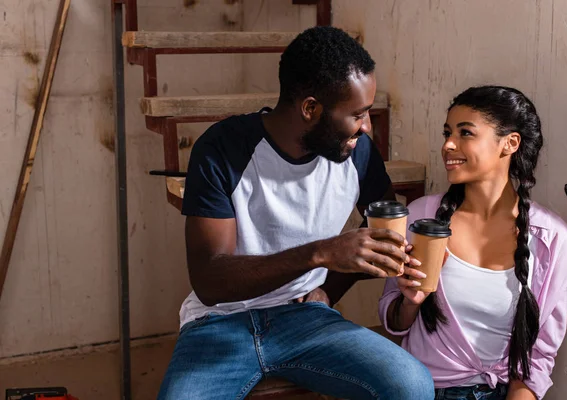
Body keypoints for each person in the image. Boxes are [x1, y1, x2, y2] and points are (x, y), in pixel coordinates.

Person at [158, 26, 434, 400]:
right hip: (218, 324)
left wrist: (328, 288)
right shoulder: (224, 148)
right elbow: (210, 281)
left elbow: (379, 231)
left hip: (305, 319)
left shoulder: (359, 153)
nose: (366, 126)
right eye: (357, 114)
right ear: (310, 108)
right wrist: (319, 253)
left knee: (412, 386)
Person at [379, 86, 567, 400]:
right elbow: (392, 320)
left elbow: (538, 358)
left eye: (465, 133)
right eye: (447, 132)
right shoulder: (422, 218)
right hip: (423, 390)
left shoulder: (552, 240)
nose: (448, 145)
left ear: (509, 144)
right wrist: (410, 302)